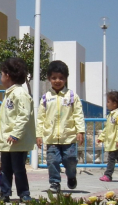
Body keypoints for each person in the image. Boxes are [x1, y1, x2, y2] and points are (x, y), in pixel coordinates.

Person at [36, 60, 85, 193]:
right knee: (52, 161)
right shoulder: (45, 98)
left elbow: (78, 114)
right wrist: (39, 134)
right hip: (51, 138)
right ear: (49, 79)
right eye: (54, 78)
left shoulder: (72, 96)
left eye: (61, 78)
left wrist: (80, 130)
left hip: (68, 137)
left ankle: (71, 175)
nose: (57, 81)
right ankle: (55, 183)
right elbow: (40, 117)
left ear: (66, 78)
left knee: (70, 159)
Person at [0, 57, 35, 203]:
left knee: (18, 169)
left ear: (7, 75)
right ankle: (4, 193)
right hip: (7, 142)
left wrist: (16, 134)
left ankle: (24, 194)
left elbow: (24, 116)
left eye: (2, 74)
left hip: (16, 142)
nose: (1, 77)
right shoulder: (9, 94)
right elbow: (8, 117)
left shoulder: (20, 94)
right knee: (5, 169)